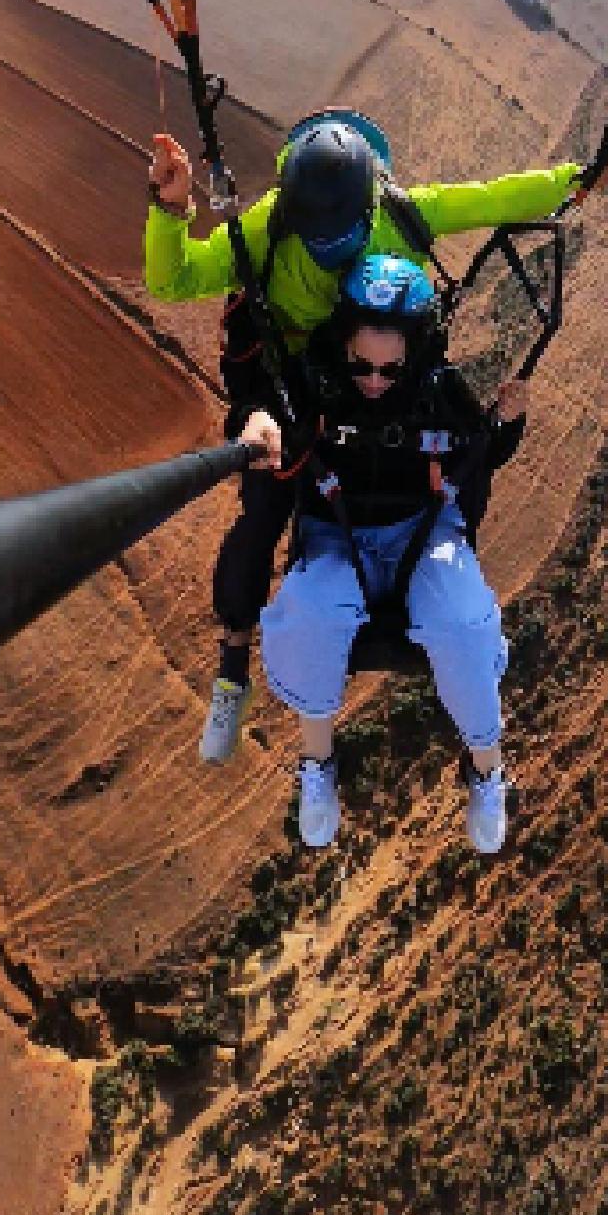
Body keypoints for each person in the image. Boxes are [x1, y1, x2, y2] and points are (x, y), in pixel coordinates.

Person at [146, 103, 608, 764]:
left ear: (368, 206)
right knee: (264, 506)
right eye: (320, 240)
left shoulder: (399, 213)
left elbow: (506, 196)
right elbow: (173, 279)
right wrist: (169, 211)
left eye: (342, 238)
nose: (332, 254)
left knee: (438, 450)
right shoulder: (269, 226)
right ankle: (233, 666)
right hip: (300, 387)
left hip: (388, 371)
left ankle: (429, 595)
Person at [242, 255, 523, 854]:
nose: (374, 381)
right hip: (336, 537)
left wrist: (506, 423)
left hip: (422, 535)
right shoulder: (314, 389)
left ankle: (487, 767)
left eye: (391, 369)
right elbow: (265, 410)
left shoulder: (440, 393)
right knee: (313, 611)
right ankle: (317, 764)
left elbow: (480, 453)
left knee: (465, 623)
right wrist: (258, 425)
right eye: (361, 366)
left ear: (415, 357)